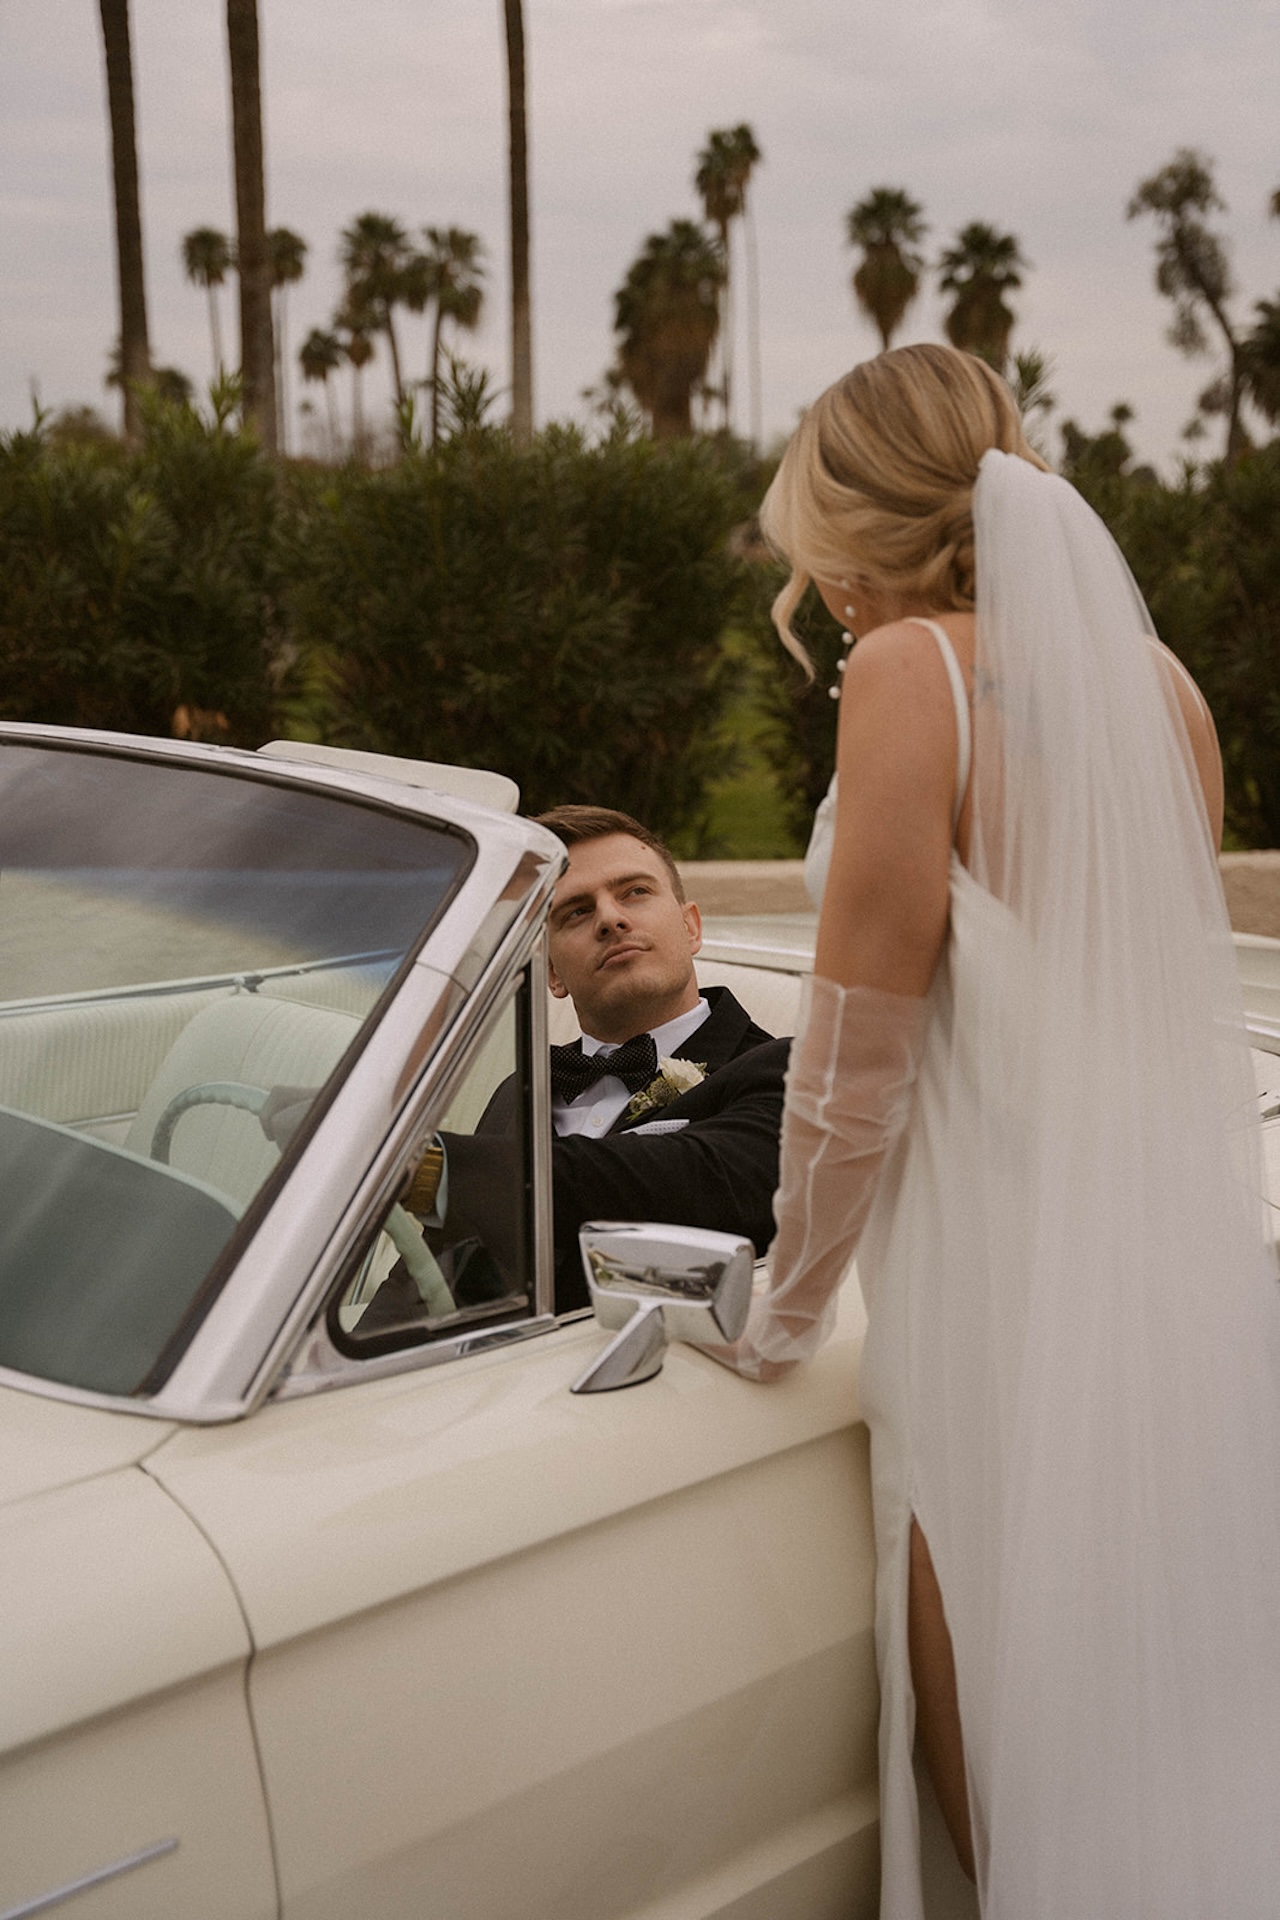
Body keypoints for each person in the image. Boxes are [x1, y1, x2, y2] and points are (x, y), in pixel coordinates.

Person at [709, 343, 1280, 1917]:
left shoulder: (909, 675)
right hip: (1163, 1274)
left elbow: (854, 1054)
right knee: (1161, 1721)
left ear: (848, 533)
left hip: (994, 1284)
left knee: (1008, 1749)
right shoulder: (1160, 692)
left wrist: (791, 1299)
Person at [368, 805, 790, 1321]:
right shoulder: (523, 1086)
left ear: (691, 927)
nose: (611, 918)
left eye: (635, 892)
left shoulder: (783, 1068)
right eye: (576, 912)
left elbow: (696, 1183)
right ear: (552, 973)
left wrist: (427, 1165)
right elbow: (434, 1268)